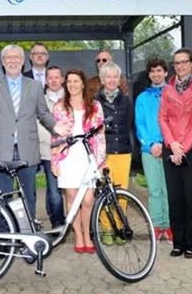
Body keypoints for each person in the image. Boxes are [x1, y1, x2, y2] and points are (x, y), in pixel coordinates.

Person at [0, 44, 70, 241]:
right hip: (2, 150)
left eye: (17, 57)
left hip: (27, 148)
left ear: (23, 61)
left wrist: (55, 126)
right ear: (2, 62)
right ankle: (3, 240)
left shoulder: (34, 86)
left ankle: (28, 238)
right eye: (8, 58)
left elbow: (43, 112)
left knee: (28, 196)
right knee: (2, 197)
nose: (13, 61)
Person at [158, 48, 192, 259]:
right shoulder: (167, 90)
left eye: (183, 62)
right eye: (176, 63)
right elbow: (162, 118)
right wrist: (172, 144)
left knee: (191, 199)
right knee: (175, 200)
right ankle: (178, 242)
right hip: (171, 150)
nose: (179, 66)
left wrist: (183, 148)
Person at [51, 69, 105, 254]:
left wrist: (100, 161)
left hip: (88, 157)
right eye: (69, 81)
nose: (72, 85)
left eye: (76, 81)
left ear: (83, 83)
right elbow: (55, 136)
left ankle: (88, 234)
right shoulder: (59, 107)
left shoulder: (95, 106)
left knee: (88, 200)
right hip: (67, 157)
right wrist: (55, 161)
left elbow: (100, 134)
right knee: (73, 199)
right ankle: (80, 237)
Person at [94, 61, 134, 245]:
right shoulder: (95, 102)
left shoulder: (126, 100)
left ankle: (120, 226)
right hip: (103, 152)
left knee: (121, 191)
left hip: (123, 151)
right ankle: (107, 228)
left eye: (115, 77)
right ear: (102, 79)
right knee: (103, 191)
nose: (111, 80)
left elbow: (130, 125)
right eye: (108, 76)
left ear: (119, 80)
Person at [134, 57, 172, 244]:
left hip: (169, 148)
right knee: (155, 190)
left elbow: (175, 122)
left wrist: (165, 144)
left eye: (159, 70)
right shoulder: (142, 97)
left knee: (169, 189)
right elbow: (139, 123)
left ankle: (170, 226)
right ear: (149, 75)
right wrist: (150, 145)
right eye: (152, 71)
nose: (156, 74)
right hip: (149, 150)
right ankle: (157, 226)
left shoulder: (173, 94)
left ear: (165, 72)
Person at [38, 66, 66, 229]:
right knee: (53, 190)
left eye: (57, 77)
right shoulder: (39, 100)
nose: (54, 80)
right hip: (48, 151)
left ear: (62, 79)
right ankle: (57, 223)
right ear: (46, 80)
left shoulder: (70, 98)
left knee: (69, 188)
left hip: (69, 151)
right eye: (50, 77)